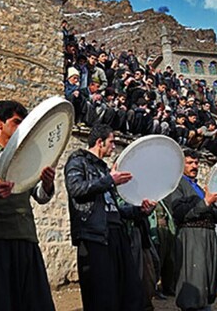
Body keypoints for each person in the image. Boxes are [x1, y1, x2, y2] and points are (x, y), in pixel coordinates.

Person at [0, 100, 56, 311]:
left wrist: (48, 183)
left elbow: (40, 196)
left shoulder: (27, 161)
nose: (19, 129)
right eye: (16, 122)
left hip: (26, 241)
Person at [64, 124, 152, 311]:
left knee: (129, 291)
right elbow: (75, 188)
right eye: (111, 142)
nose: (114, 147)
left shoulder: (105, 170)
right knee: (102, 295)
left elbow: (116, 208)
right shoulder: (77, 161)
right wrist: (110, 180)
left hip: (116, 234)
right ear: (99, 142)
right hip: (94, 235)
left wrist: (141, 210)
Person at [165, 149, 217, 311]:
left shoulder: (198, 187)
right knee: (194, 278)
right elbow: (180, 212)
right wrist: (206, 202)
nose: (195, 166)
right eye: (190, 163)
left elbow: (213, 214)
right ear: (181, 165)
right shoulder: (175, 184)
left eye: (196, 162)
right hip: (191, 237)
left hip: (207, 237)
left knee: (208, 280)